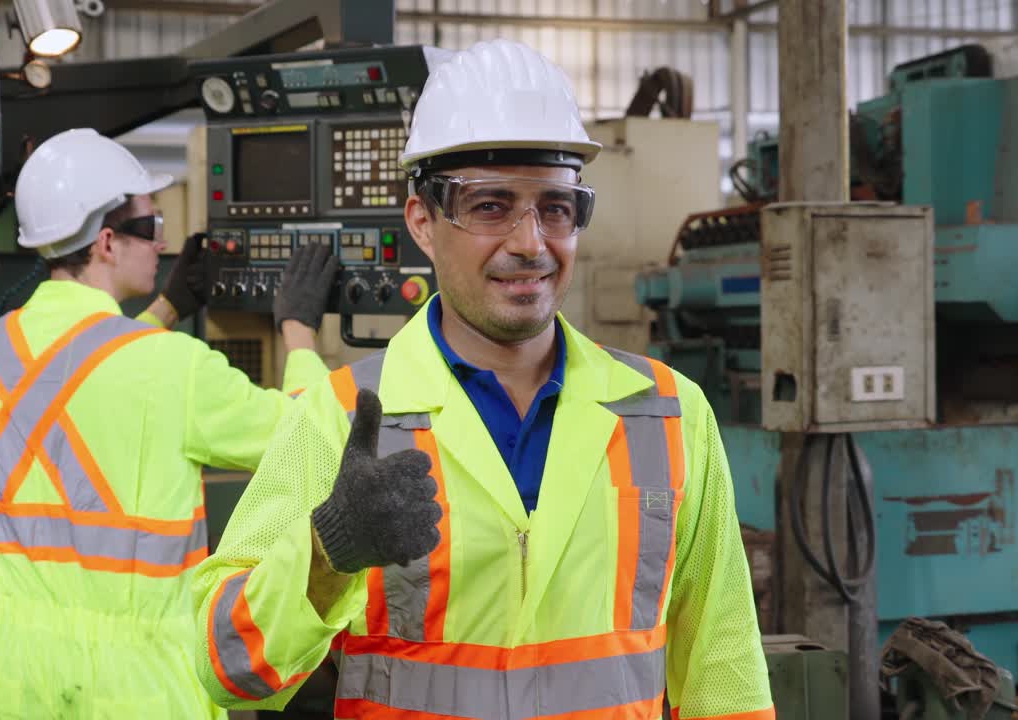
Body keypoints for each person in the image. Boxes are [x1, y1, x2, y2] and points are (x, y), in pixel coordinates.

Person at [192, 40, 774, 720]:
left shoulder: (671, 415)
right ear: (423, 224)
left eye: (556, 207)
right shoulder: (338, 417)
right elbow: (223, 666)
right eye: (491, 205)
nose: (531, 241)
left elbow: (723, 668)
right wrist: (325, 553)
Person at [0, 128, 338, 719]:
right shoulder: (173, 368)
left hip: (23, 685)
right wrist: (299, 330)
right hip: (142, 692)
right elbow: (311, 438)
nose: (162, 246)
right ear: (107, 242)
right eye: (153, 228)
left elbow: (80, 379)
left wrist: (164, 308)